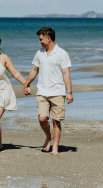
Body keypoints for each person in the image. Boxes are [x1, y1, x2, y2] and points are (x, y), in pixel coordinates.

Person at [24, 27, 73, 155]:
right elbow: (34, 70)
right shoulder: (39, 53)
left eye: (41, 39)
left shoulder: (62, 53)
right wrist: (27, 83)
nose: (39, 41)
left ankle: (55, 147)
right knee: (42, 119)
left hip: (57, 92)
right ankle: (48, 136)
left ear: (48, 38)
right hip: (42, 92)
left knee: (56, 121)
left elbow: (66, 73)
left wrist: (69, 92)